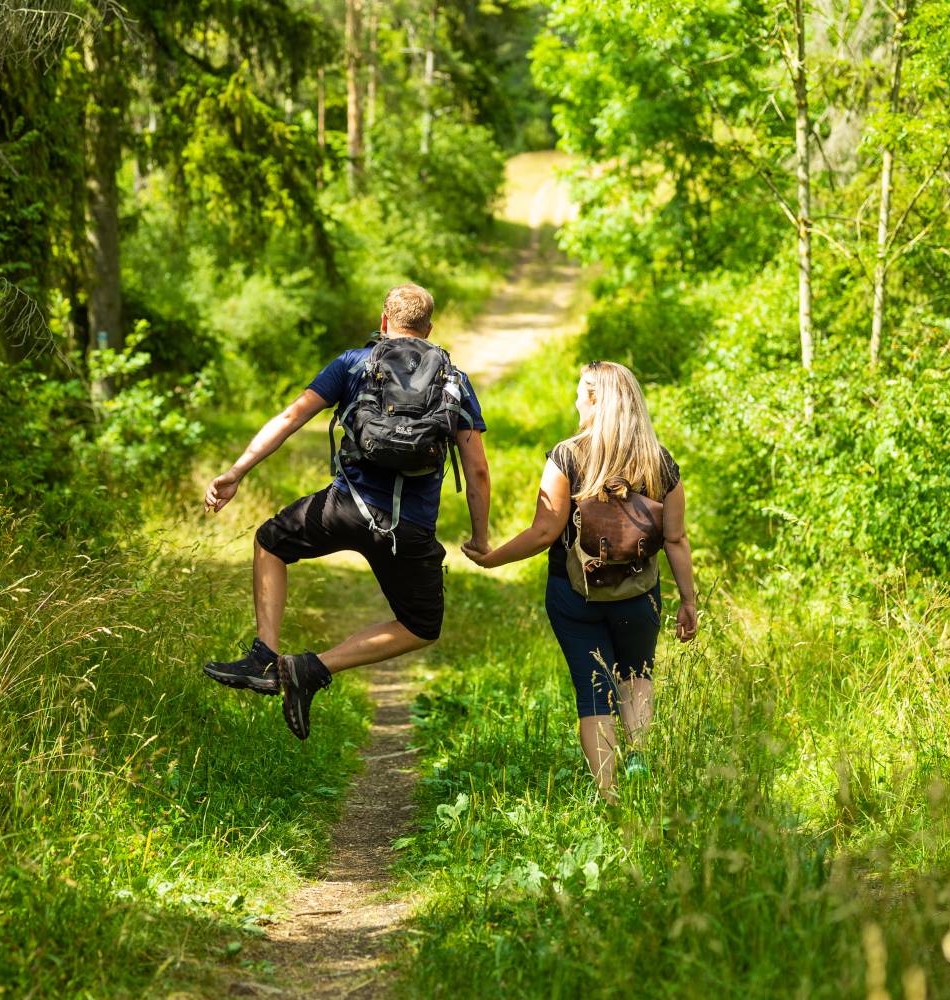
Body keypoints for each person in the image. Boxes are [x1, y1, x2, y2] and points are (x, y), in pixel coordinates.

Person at [201, 283, 492, 740]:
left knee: (270, 541)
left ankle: (264, 656)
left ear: (383, 323)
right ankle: (312, 667)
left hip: (344, 507)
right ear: (429, 329)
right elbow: (476, 470)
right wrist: (481, 538)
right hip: (409, 527)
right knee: (420, 626)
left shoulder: (354, 363)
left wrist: (237, 472)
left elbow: (290, 418)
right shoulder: (453, 380)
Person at [463, 361, 697, 802]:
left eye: (579, 394)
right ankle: (641, 766)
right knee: (636, 677)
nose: (575, 401)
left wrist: (494, 559)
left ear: (595, 400)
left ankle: (608, 796)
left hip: (575, 595)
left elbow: (544, 532)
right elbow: (676, 538)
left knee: (594, 693)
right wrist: (689, 601)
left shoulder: (567, 456)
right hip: (639, 594)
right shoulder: (660, 461)